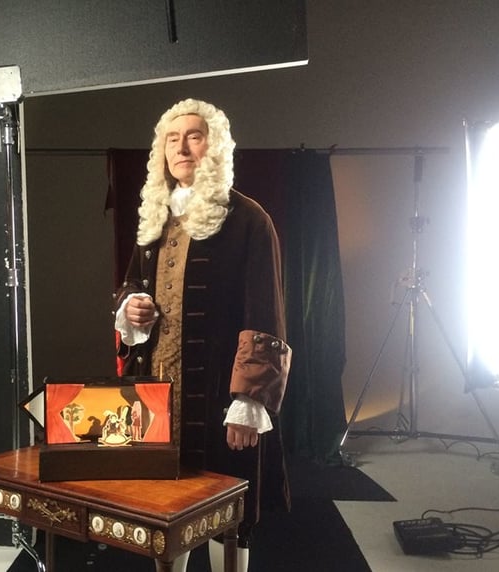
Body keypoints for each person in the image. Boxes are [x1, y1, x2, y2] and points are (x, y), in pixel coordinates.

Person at [113, 98, 292, 572]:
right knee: (164, 509)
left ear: (214, 147)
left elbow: (265, 312)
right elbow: (131, 284)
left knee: (227, 510)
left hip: (219, 394)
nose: (181, 147)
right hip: (157, 395)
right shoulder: (154, 218)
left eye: (193, 136)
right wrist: (131, 308)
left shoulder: (249, 219)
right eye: (172, 139)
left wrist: (248, 400)